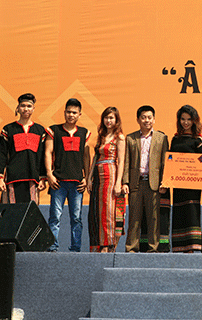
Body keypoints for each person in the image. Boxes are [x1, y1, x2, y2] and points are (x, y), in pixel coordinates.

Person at [45, 98, 91, 252]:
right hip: (58, 182)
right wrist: (49, 175)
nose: (71, 115)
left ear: (79, 114)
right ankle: (53, 246)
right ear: (64, 112)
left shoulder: (84, 133)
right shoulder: (54, 130)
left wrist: (86, 177)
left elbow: (86, 157)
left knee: (76, 218)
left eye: (74, 112)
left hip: (77, 183)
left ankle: (75, 248)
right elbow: (48, 152)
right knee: (55, 217)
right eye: (69, 112)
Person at [123, 105, 168, 253]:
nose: (146, 120)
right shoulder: (130, 138)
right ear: (138, 120)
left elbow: (165, 162)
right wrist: (125, 182)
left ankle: (153, 248)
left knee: (153, 218)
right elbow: (127, 162)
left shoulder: (162, 138)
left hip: (154, 183)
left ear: (154, 119)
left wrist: (164, 182)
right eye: (143, 117)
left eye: (149, 117)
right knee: (134, 218)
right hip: (136, 182)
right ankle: (131, 248)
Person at [86, 107, 126, 252]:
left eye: (111, 118)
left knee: (108, 209)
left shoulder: (119, 137)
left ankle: (108, 244)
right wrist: (89, 178)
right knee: (95, 210)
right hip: (97, 175)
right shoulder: (101, 136)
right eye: (106, 117)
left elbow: (121, 161)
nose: (108, 121)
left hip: (110, 173)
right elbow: (95, 158)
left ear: (116, 120)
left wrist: (118, 182)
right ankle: (97, 245)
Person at [170, 105, 202, 252]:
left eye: (189, 119)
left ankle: (192, 246)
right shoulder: (175, 139)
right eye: (183, 119)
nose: (186, 122)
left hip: (193, 185)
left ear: (194, 121)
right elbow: (170, 160)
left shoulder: (198, 140)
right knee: (178, 212)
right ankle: (179, 246)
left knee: (192, 212)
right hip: (178, 184)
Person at [0, 93, 46, 204]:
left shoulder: (40, 130)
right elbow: (1, 154)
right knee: (12, 211)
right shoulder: (8, 129)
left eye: (29, 106)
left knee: (30, 211)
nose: (26, 109)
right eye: (23, 106)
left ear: (33, 109)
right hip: (12, 178)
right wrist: (0, 178)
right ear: (18, 108)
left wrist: (43, 178)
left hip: (32, 178)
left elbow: (42, 156)